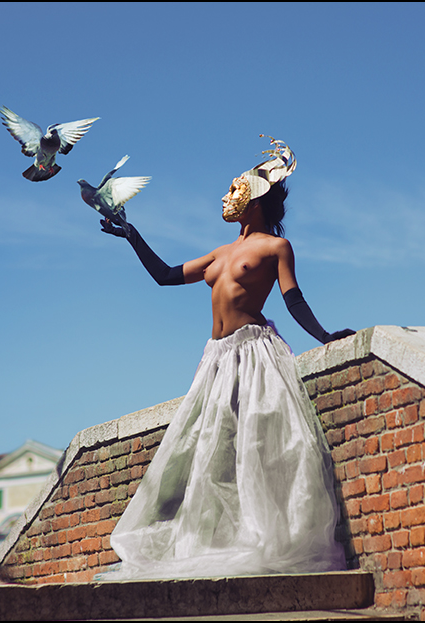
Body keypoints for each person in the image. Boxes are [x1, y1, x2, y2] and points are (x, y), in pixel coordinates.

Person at [96, 137, 353, 580]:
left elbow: (293, 300)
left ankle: (265, 537)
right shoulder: (219, 254)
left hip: (254, 354)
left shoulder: (275, 248)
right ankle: (210, 540)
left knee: (258, 446)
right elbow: (164, 276)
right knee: (207, 452)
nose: (224, 197)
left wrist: (325, 336)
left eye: (233, 190)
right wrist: (132, 234)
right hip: (214, 358)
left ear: (253, 199)